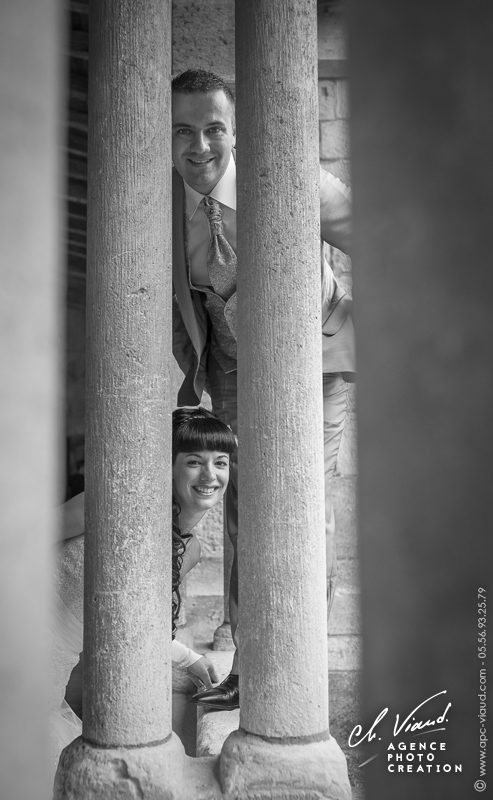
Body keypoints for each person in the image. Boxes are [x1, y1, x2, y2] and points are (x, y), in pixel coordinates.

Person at [171, 68, 354, 710]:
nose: (200, 147)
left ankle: (300, 661)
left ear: (235, 130)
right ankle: (250, 665)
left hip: (316, 359)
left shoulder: (289, 175)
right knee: (242, 509)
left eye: (213, 128)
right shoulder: (162, 202)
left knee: (304, 509)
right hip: (231, 366)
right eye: (183, 131)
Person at [49, 407, 236, 763]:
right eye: (195, 461)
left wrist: (189, 659)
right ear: (168, 465)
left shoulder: (190, 551)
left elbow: (131, 628)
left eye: (221, 462)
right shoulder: (104, 503)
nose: (210, 475)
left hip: (49, 678)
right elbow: (15, 545)